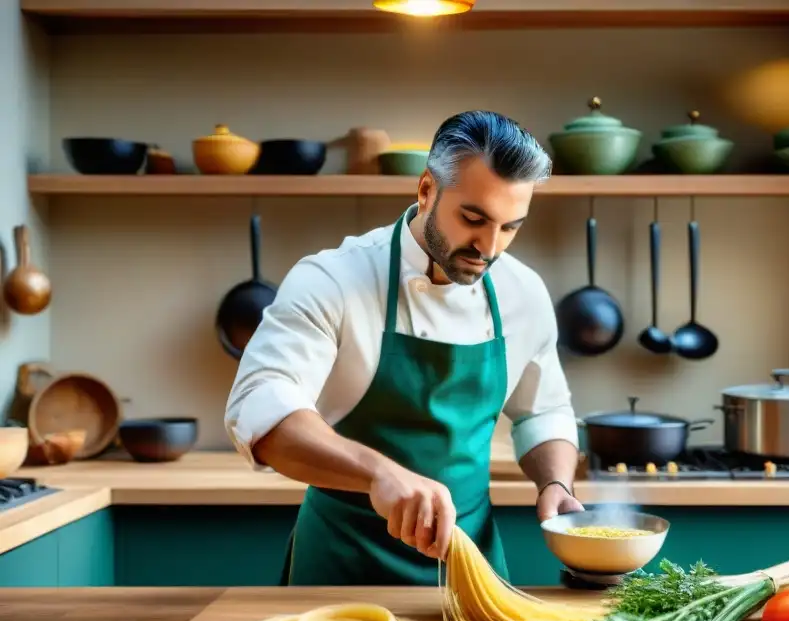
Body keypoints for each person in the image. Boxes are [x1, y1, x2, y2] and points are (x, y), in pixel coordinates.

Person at [224, 110, 584, 586]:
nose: (490, 248)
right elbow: (261, 411)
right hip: (342, 564)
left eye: (510, 227)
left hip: (469, 572)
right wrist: (378, 474)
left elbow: (544, 411)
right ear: (426, 189)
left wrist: (555, 482)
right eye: (473, 218)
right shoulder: (332, 280)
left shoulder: (523, 291)